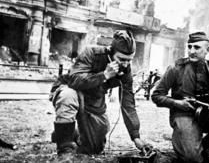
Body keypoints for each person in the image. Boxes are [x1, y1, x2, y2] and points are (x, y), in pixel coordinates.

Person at [49, 30, 150, 161]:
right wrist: (104, 75)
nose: (125, 64)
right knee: (68, 96)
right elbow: (74, 80)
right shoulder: (91, 52)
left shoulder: (126, 71)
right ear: (111, 52)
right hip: (71, 89)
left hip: (94, 99)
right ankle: (64, 148)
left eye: (129, 60)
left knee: (95, 147)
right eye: (121, 59)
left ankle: (68, 132)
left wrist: (136, 137)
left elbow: (128, 103)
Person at [151, 32, 209, 163]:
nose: (191, 51)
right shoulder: (175, 69)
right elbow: (156, 96)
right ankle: (191, 146)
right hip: (184, 115)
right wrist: (178, 103)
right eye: (189, 47)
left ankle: (204, 147)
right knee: (192, 159)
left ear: (207, 50)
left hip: (207, 114)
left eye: (196, 47)